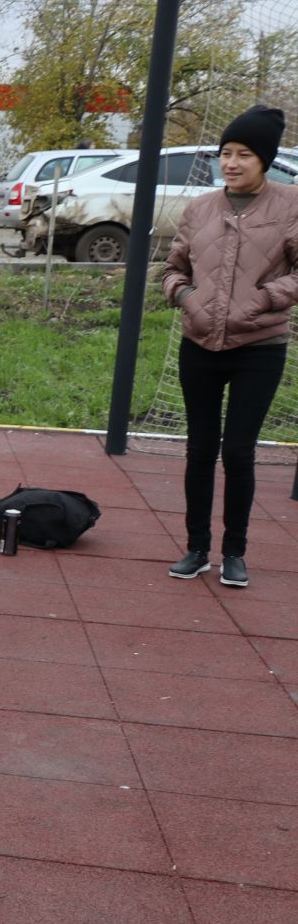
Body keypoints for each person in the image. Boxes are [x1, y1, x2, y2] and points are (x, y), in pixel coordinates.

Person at [160, 104, 298, 590]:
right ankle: (196, 547)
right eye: (225, 153)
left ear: (265, 159)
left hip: (259, 346)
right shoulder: (201, 208)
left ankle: (233, 551)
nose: (232, 163)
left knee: (238, 452)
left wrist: (264, 298)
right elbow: (173, 267)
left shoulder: (291, 205)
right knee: (199, 448)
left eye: (243, 154)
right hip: (199, 343)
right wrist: (185, 295)